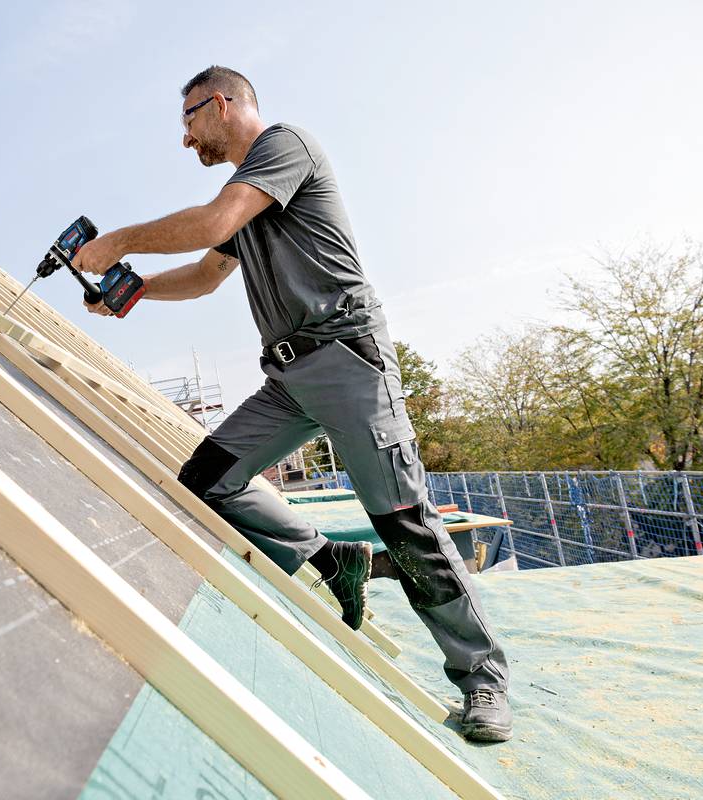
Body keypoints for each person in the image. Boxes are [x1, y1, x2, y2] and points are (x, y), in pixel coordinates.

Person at [72, 66, 512, 743]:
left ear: (221, 104)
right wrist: (132, 295)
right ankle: (332, 558)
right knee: (206, 483)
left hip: (348, 365)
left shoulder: (286, 147)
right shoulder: (243, 205)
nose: (186, 138)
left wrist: (121, 241)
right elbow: (204, 275)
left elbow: (215, 219)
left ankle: (482, 677)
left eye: (189, 120)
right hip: (288, 379)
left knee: (405, 522)